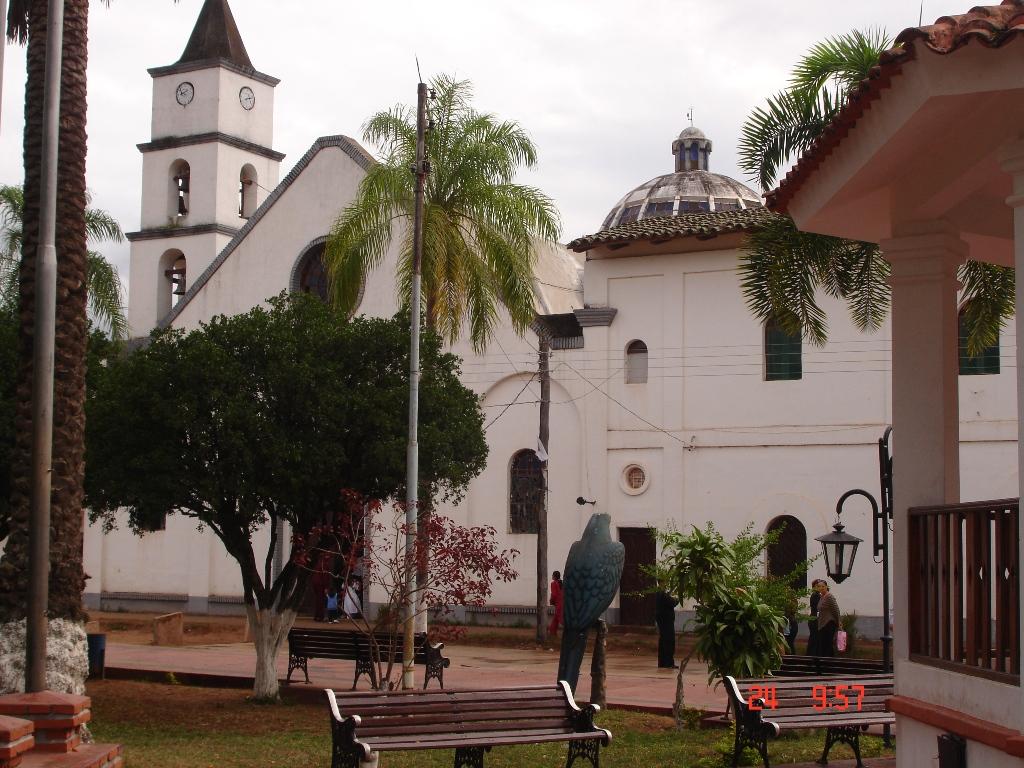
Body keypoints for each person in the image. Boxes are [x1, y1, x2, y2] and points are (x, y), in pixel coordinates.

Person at [655, 585, 679, 668]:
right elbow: (673, 602)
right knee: (669, 641)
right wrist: (676, 599)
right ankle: (668, 663)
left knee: (663, 641)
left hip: (663, 620)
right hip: (666, 621)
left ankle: (662, 663)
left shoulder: (659, 594)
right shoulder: (662, 594)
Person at [815, 580, 840, 657]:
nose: (821, 588)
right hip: (822, 624)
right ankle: (827, 662)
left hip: (829, 624)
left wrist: (838, 621)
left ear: (826, 587)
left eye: (823, 586)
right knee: (823, 645)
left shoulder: (829, 596)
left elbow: (836, 610)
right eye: (819, 586)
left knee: (827, 645)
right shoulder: (822, 597)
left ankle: (827, 663)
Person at [806, 578, 822, 655]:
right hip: (814, 619)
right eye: (818, 585)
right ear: (814, 587)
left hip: (814, 618)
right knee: (814, 638)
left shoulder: (817, 595)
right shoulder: (816, 595)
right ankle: (811, 654)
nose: (820, 587)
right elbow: (819, 607)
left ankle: (812, 654)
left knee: (814, 638)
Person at [547, 571, 564, 636]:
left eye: (552, 575)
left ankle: (552, 631)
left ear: (554, 576)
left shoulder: (553, 583)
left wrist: (551, 601)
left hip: (558, 602)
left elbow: (554, 594)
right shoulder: (561, 583)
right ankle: (552, 631)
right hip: (562, 601)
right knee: (557, 617)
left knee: (558, 617)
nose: (552, 576)